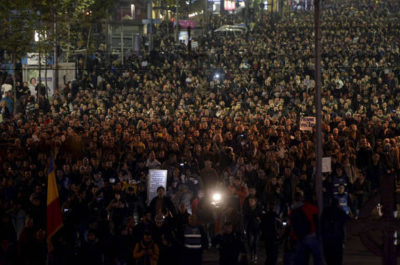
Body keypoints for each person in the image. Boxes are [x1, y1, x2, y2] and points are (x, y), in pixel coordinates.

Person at [290, 192, 323, 265]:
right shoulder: (311, 208)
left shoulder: (296, 209)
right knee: (317, 256)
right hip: (311, 234)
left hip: (300, 236)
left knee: (302, 258)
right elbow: (316, 221)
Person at [321, 198, 347, 265]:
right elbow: (345, 223)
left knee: (329, 257)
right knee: (337, 258)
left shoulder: (326, 211)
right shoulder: (340, 212)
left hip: (328, 238)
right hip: (337, 238)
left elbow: (322, 224)